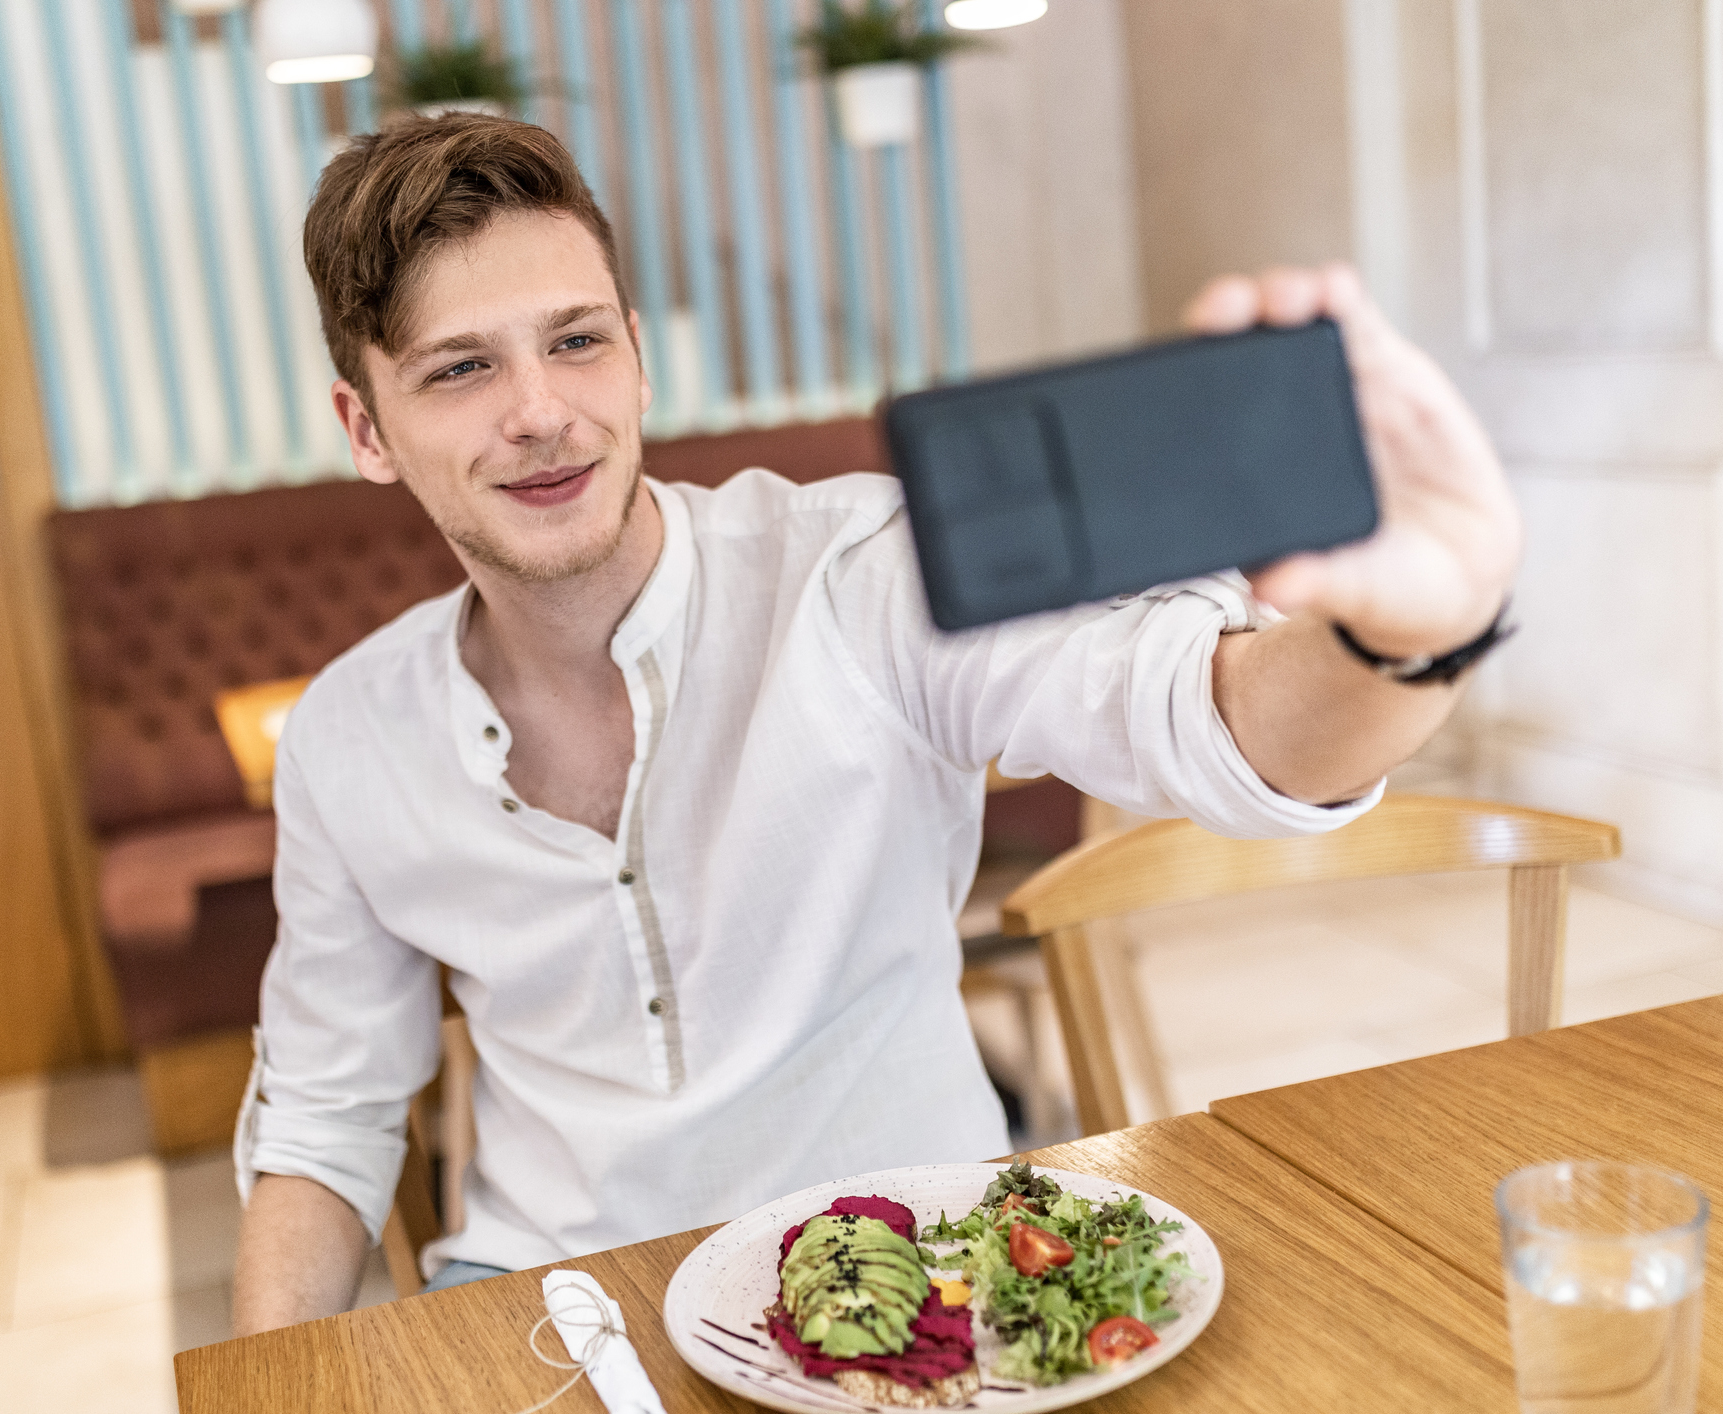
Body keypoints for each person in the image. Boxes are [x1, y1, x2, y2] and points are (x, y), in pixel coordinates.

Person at [230, 114, 1519, 1334]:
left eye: (576, 341)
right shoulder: (350, 735)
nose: (540, 410)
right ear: (367, 428)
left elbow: (1217, 721)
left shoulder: (862, 574)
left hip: (929, 1262)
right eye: (462, 368)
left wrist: (1410, 631)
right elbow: (323, 1122)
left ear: (636, 351)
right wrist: (257, 1393)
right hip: (558, 1308)